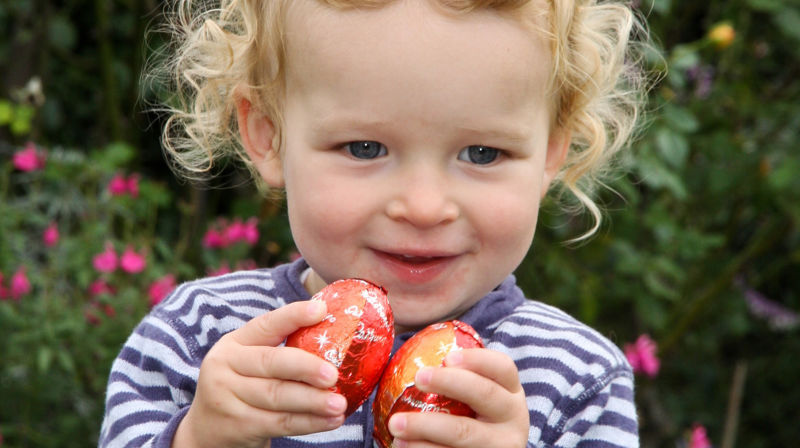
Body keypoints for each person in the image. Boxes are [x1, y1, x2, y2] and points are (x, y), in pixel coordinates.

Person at [100, 0, 650, 447]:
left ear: (552, 152)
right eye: (365, 148)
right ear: (268, 134)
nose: (424, 207)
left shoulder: (578, 381)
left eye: (482, 153)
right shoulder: (199, 338)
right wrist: (200, 438)